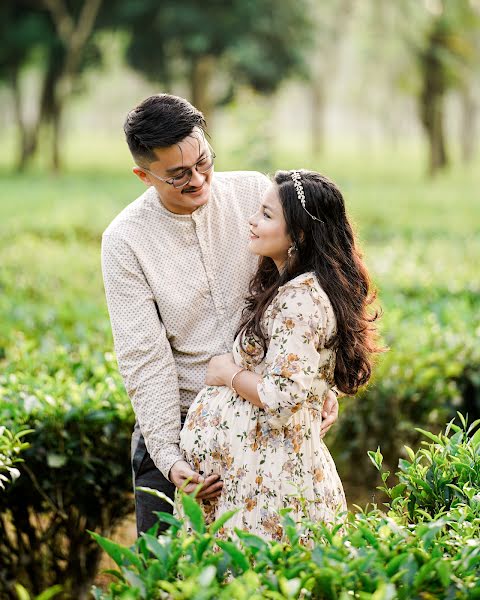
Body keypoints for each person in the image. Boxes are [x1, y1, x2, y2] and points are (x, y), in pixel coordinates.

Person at [101, 94, 340, 535]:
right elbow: (143, 357)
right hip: (181, 440)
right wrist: (171, 459)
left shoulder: (253, 192)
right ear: (144, 175)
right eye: (179, 176)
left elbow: (308, 296)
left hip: (268, 437)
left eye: (203, 162)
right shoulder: (125, 242)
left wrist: (317, 383)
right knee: (171, 577)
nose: (198, 180)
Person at [179, 169, 381, 540]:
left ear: (299, 236)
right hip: (256, 479)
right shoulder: (288, 285)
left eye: (267, 215)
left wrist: (228, 374)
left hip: (271, 486)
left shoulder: (300, 298)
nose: (252, 221)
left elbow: (284, 396)